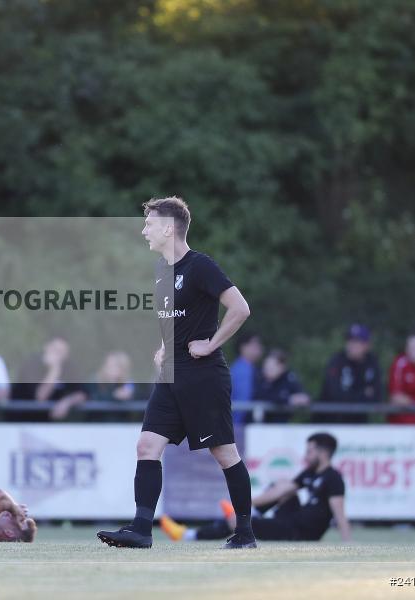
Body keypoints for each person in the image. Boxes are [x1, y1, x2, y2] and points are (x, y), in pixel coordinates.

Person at [97, 196, 255, 550]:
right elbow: (175, 320)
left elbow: (240, 308)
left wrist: (211, 344)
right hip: (171, 375)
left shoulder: (200, 266)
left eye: (149, 224)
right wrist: (164, 346)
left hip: (203, 377)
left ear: (169, 229)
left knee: (224, 454)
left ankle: (245, 533)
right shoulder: (161, 271)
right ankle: (141, 529)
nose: (144, 231)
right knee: (147, 445)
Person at [159, 433, 351, 542]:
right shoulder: (311, 472)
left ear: (323, 453)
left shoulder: (333, 478)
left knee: (236, 523)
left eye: (310, 451)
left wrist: (347, 542)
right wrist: (247, 505)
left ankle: (187, 535)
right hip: (293, 519)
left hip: (300, 533)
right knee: (281, 486)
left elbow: (339, 514)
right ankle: (247, 512)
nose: (306, 456)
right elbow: (282, 490)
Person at [12, 335, 88, 421]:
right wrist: (54, 370)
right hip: (24, 420)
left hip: (53, 422)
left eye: (61, 352)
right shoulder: (31, 365)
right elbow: (40, 398)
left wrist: (67, 402)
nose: (57, 355)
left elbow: (82, 394)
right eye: (55, 350)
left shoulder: (69, 367)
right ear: (46, 347)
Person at [318, 324, 382, 422]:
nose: (351, 345)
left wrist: (350, 396)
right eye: (349, 340)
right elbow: (334, 394)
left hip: (359, 422)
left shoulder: (372, 363)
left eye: (356, 341)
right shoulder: (337, 361)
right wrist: (363, 394)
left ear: (366, 345)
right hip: (331, 421)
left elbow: (377, 396)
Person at [254, 349, 310, 423]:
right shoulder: (259, 378)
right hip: (261, 424)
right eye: (266, 366)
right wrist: (289, 400)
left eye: (271, 367)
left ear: (282, 367)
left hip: (282, 425)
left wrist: (303, 398)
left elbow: (304, 396)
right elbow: (263, 397)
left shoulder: (289, 379)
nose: (266, 370)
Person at [229, 332, 262, 424]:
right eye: (255, 344)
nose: (259, 347)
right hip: (239, 424)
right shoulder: (241, 370)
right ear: (243, 347)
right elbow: (243, 399)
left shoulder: (247, 367)